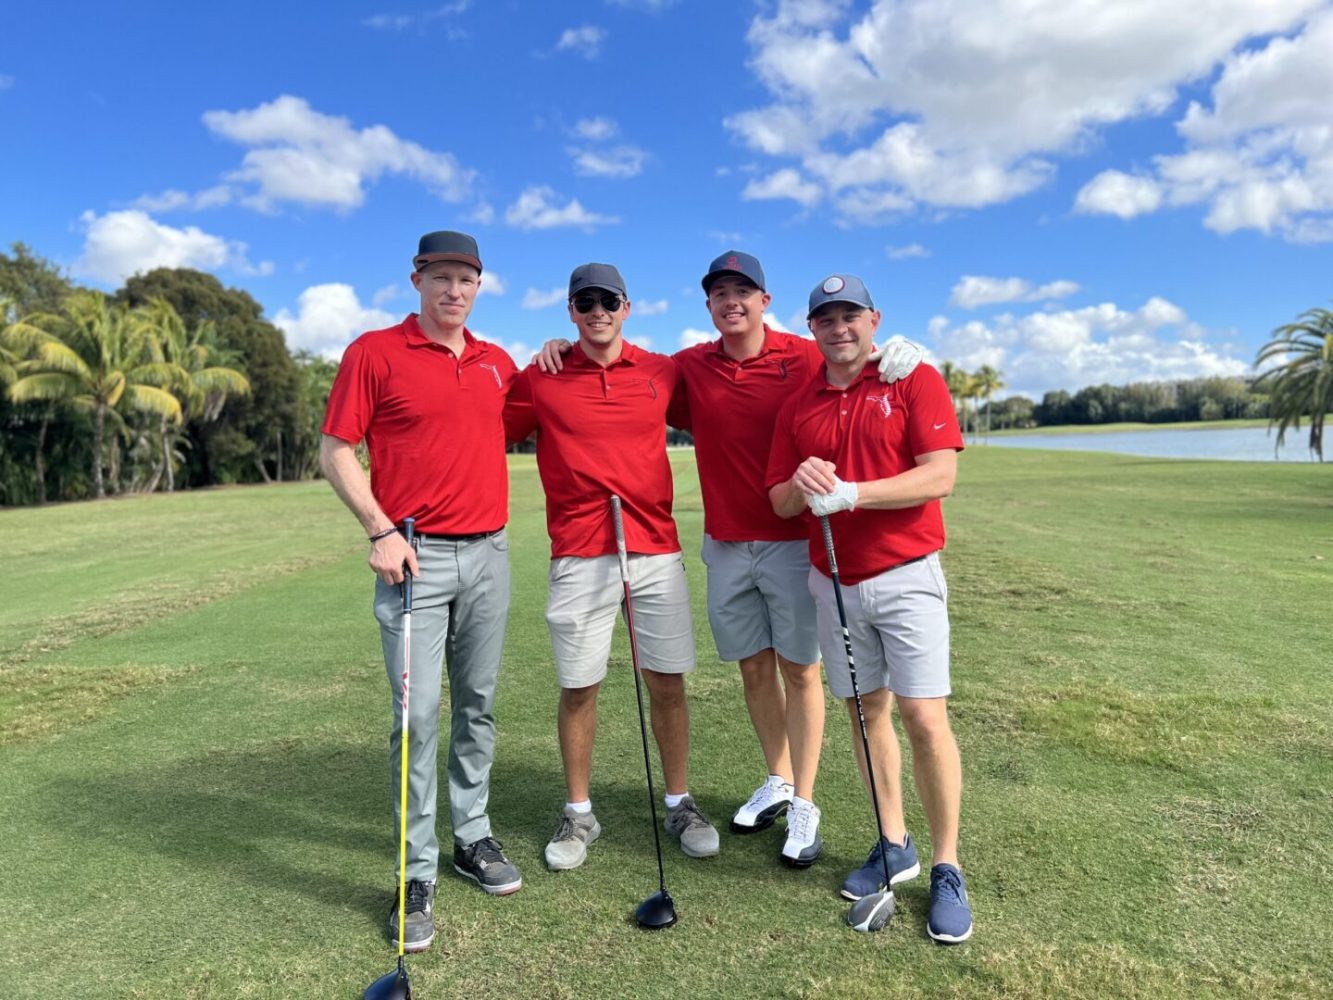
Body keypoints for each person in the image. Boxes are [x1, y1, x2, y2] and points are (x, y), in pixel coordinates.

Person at [536, 251, 923, 869]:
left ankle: (805, 799)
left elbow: (853, 357)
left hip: (793, 539)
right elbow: (607, 370)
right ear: (709, 305)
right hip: (725, 542)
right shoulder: (688, 366)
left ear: (765, 301)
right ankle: (779, 777)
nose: (731, 301)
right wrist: (559, 345)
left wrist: (899, 353)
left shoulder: (801, 355)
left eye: (744, 291)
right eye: (720, 293)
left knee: (800, 672)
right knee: (752, 670)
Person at [320, 230, 523, 954]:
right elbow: (335, 448)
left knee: (477, 705)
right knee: (418, 717)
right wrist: (379, 530)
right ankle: (416, 869)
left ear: (478, 285)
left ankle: (472, 836)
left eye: (465, 279)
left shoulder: (498, 363)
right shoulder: (373, 352)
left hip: (490, 555)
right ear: (416, 279)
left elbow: (544, 408)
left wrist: (559, 357)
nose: (453, 290)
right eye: (440, 277)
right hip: (413, 558)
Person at [765, 273, 973, 943]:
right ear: (811, 327)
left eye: (849, 315)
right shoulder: (801, 402)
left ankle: (945, 864)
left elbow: (939, 474)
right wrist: (800, 485)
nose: (838, 327)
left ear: (873, 318)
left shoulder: (912, 378)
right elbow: (777, 500)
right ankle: (893, 841)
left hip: (906, 574)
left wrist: (853, 494)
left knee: (922, 716)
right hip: (833, 580)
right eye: (825, 318)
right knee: (864, 713)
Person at [505, 263, 720, 872]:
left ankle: (679, 801)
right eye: (586, 302)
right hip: (579, 550)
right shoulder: (543, 376)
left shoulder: (660, 371)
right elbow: (482, 427)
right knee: (579, 685)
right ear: (571, 311)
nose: (598, 311)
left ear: (628, 307)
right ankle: (578, 811)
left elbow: (725, 400)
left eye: (609, 301)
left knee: (668, 681)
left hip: (654, 547)